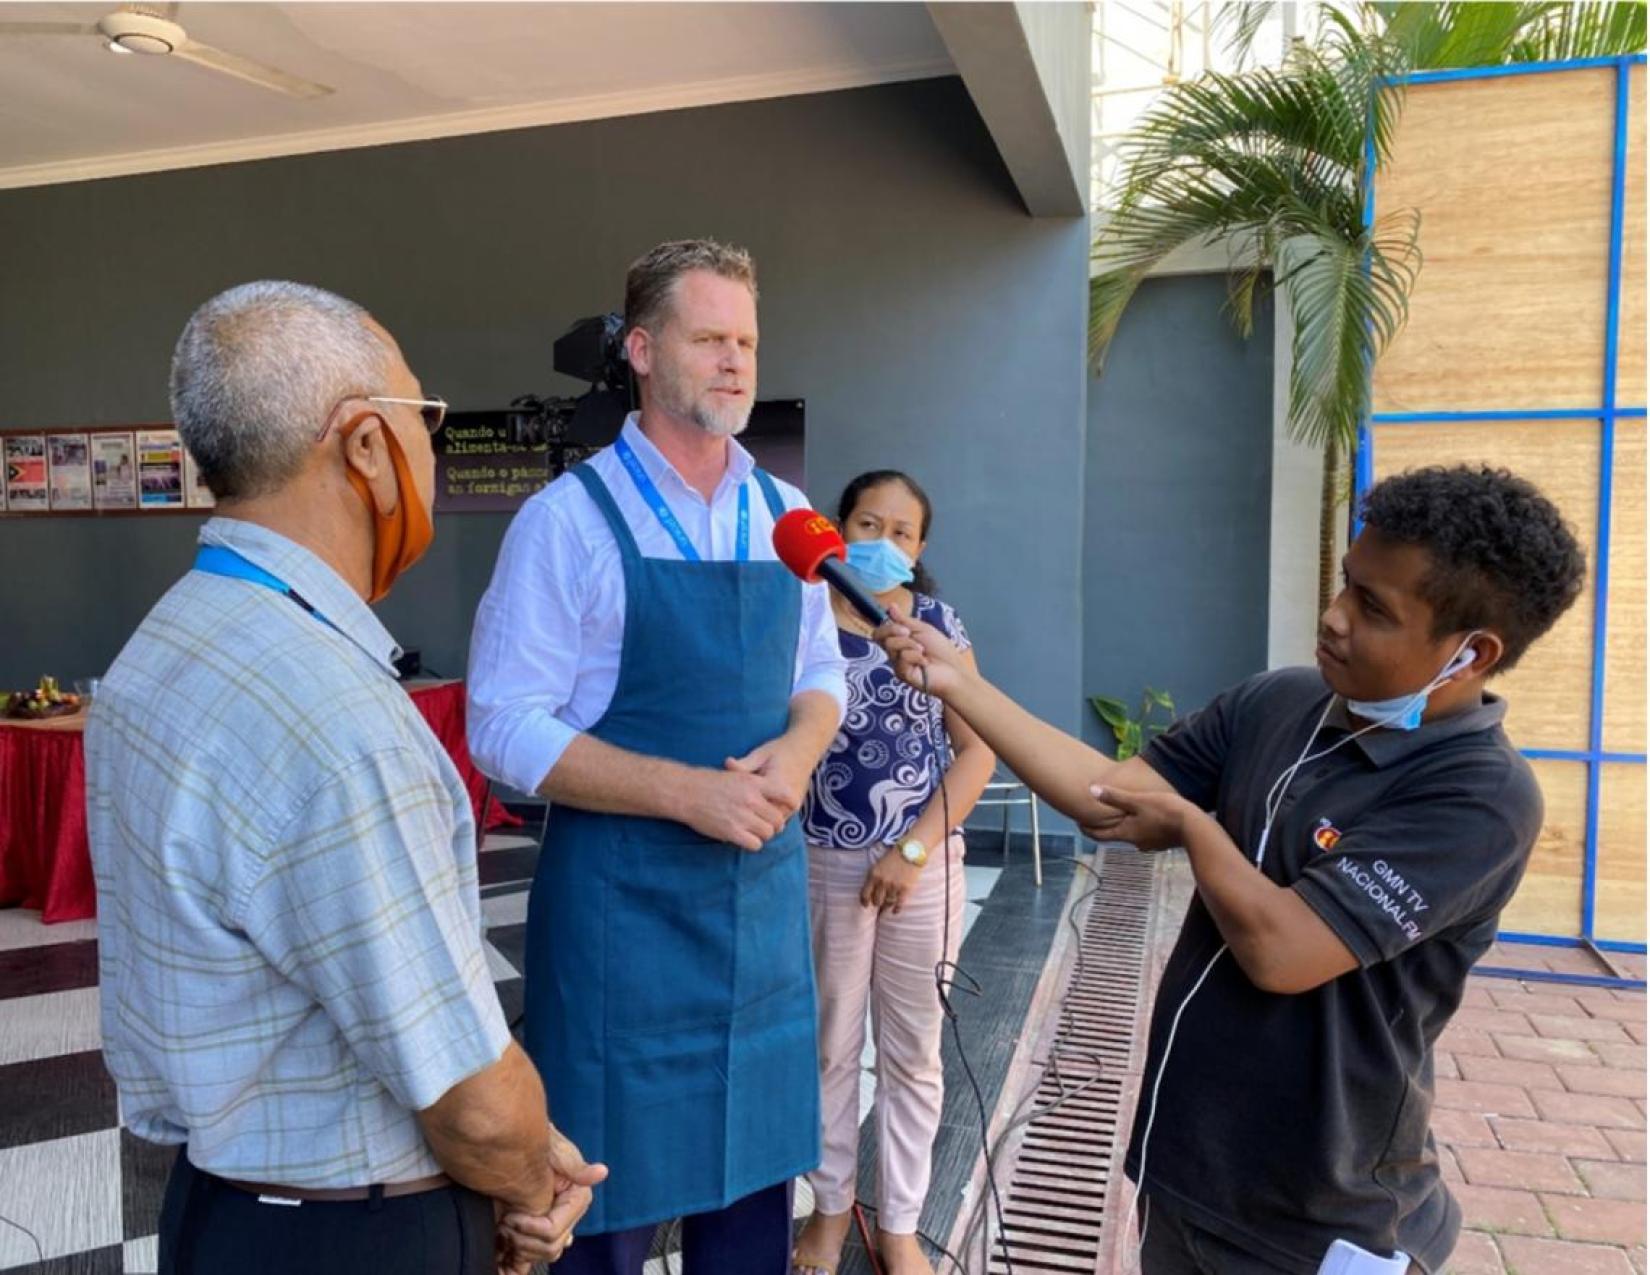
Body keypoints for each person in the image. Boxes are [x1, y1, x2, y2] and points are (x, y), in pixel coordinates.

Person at [877, 465, 1586, 1275]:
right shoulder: (1279, 704)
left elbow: (1282, 950)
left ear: (1469, 654)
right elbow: (1106, 800)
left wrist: (1192, 823)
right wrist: (958, 683)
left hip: (1321, 1210)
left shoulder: (1479, 794)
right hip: (1190, 1169)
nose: (1334, 616)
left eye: (1374, 608)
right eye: (1347, 584)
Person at [85, 281, 603, 1275]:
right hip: (355, 1233)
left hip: (216, 1209)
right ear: (365, 444)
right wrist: (535, 1185)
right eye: (425, 421)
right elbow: (472, 1104)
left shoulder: (162, 644)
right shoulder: (339, 723)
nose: (434, 454)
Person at [467, 239, 848, 1275]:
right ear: (641, 349)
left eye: (749, 342)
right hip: (620, 933)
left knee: (751, 1215)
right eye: (709, 337)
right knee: (602, 1214)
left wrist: (800, 754)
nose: (736, 361)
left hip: (758, 918)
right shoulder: (567, 523)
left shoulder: (785, 517)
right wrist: (684, 794)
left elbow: (824, 671)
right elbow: (501, 724)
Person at [789, 471, 995, 1275]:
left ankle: (902, 1222)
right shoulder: (803, 618)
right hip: (820, 864)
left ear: (920, 547)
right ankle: (832, 1211)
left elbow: (977, 748)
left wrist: (911, 853)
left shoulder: (938, 625)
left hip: (922, 863)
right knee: (830, 1047)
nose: (882, 540)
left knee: (912, 1052)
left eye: (901, 530)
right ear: (838, 528)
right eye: (867, 522)